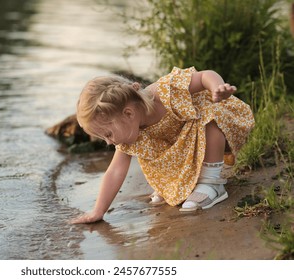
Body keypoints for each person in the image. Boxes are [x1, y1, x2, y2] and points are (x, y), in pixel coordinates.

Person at [71, 67, 254, 224]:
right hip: (185, 145)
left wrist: (217, 88)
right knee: (150, 152)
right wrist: (98, 211)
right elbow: (115, 172)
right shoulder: (129, 133)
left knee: (210, 116)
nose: (109, 142)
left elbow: (205, 75)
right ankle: (177, 184)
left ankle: (211, 182)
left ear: (128, 113)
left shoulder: (164, 92)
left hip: (212, 128)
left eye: (108, 134)